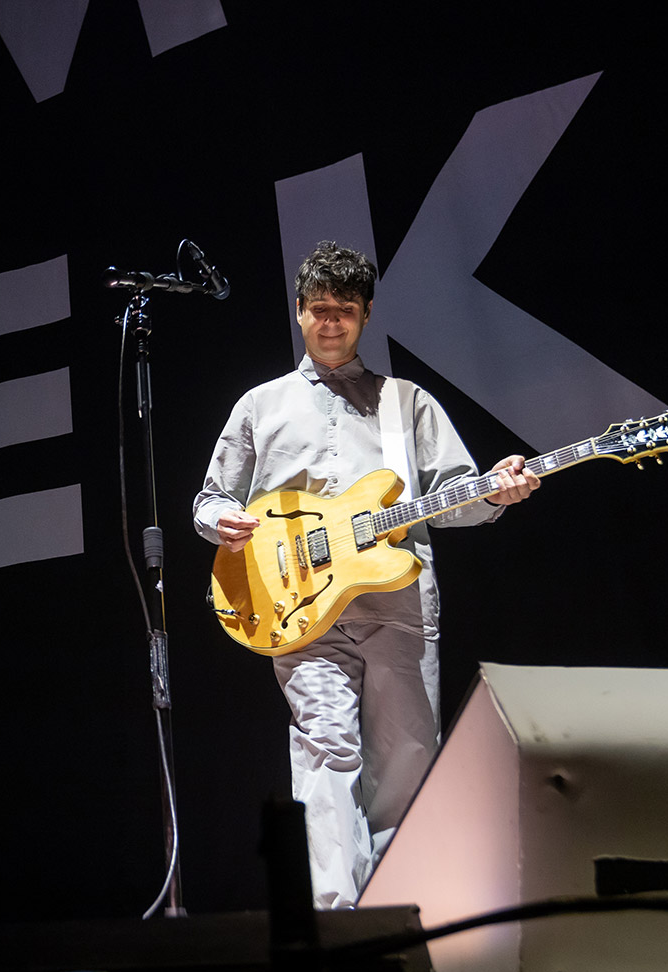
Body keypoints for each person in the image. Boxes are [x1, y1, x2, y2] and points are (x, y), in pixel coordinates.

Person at [193, 241, 538, 908]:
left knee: (405, 769)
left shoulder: (406, 403)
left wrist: (495, 493)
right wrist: (220, 521)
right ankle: (335, 922)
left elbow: (456, 497)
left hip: (398, 608)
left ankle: (401, 918)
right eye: (320, 309)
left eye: (345, 311)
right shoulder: (259, 405)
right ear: (299, 311)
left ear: (367, 314)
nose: (331, 322)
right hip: (298, 612)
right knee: (325, 753)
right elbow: (211, 499)